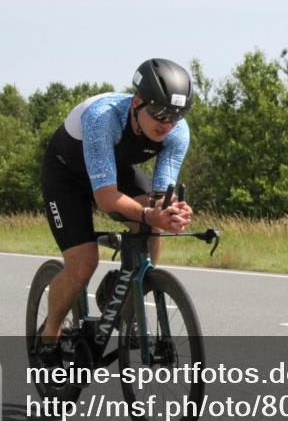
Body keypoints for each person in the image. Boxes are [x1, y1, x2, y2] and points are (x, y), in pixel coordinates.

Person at [37, 58, 194, 352]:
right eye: (159, 113)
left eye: (176, 116)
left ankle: (131, 294)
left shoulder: (177, 132)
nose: (167, 124)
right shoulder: (103, 118)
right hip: (66, 176)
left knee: (152, 224)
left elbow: (159, 196)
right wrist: (149, 212)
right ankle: (49, 336)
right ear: (137, 102)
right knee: (83, 263)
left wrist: (168, 211)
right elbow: (106, 197)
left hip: (115, 167)